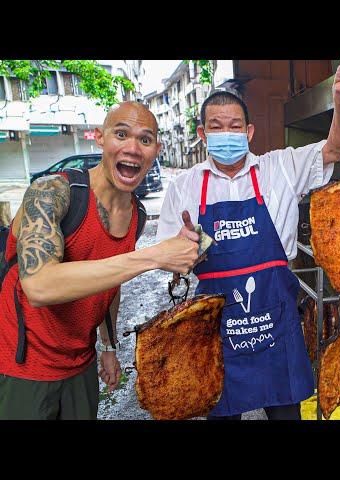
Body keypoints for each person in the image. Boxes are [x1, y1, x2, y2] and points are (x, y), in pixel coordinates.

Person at [157, 60, 340, 420]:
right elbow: (166, 261)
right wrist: (184, 252)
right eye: (216, 127)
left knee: (286, 415)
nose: (227, 133)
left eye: (235, 126)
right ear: (203, 134)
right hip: (219, 333)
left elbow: (336, 150)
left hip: (277, 328)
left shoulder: (279, 167)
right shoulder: (184, 187)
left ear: (249, 132)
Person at [0, 101, 201, 420]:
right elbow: (39, 286)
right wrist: (152, 256)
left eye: (145, 140)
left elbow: (109, 282)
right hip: (23, 364)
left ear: (156, 150)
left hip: (80, 363)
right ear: (100, 137)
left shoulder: (136, 214)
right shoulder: (52, 192)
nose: (133, 148)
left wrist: (107, 347)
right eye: (121, 134)